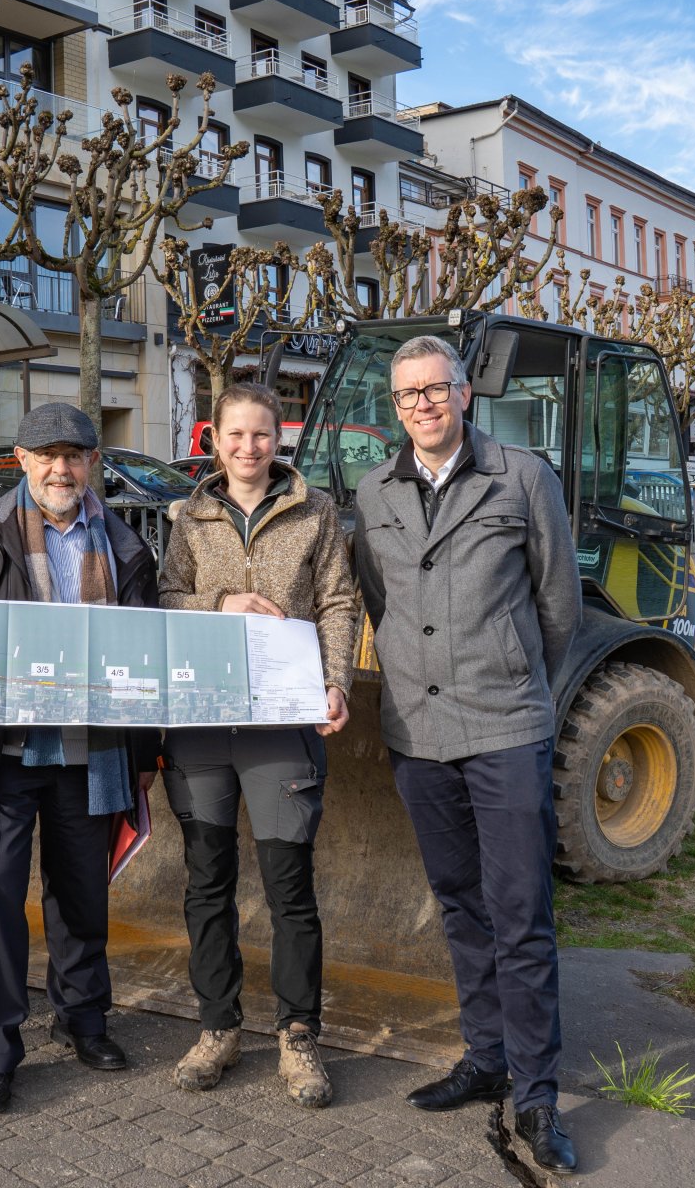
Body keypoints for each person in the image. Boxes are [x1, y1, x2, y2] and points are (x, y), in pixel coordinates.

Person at [351, 334, 582, 1172]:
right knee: (459, 904)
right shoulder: (375, 490)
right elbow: (380, 599)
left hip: (505, 729)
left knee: (522, 915)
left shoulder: (521, 478)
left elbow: (558, 607)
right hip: (419, 736)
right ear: (396, 406)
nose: (423, 404)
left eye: (436, 389)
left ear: (464, 393)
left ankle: (538, 1093)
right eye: (407, 394)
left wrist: (518, 686)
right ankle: (486, 1060)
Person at [0, 403, 159, 1116]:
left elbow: (145, 661)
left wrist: (145, 756)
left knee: (81, 895)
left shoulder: (126, 547)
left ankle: (84, 1018)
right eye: (46, 455)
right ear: (20, 459)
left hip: (92, 749)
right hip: (3, 753)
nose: (60, 468)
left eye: (74, 455)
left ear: (92, 463)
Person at [156, 382, 356, 1107]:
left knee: (288, 886)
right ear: (214, 440)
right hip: (204, 726)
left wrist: (337, 684)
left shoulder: (316, 512)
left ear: (280, 440)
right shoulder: (191, 514)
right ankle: (218, 1028)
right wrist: (223, 603)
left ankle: (298, 1036)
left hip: (280, 726)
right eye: (235, 436)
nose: (249, 448)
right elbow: (166, 595)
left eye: (262, 436)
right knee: (207, 883)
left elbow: (339, 599)